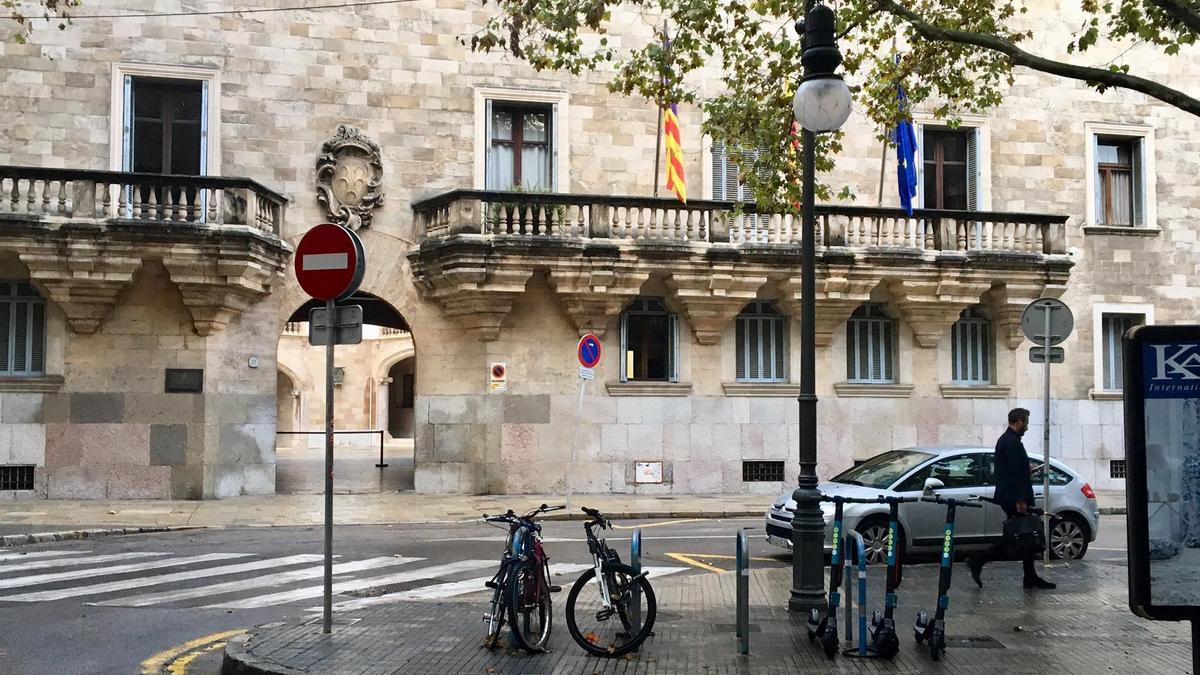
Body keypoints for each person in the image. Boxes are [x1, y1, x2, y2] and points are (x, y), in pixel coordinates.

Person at [967, 407, 1056, 590]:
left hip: (1011, 495)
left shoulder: (1007, 440)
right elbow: (1014, 474)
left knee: (1024, 537)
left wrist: (1027, 470)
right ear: (1020, 422)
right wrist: (1021, 500)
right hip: (1014, 498)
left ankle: (1029, 577)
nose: (1027, 428)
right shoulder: (1012, 443)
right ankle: (978, 560)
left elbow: (1011, 470)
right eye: (1027, 423)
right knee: (1016, 536)